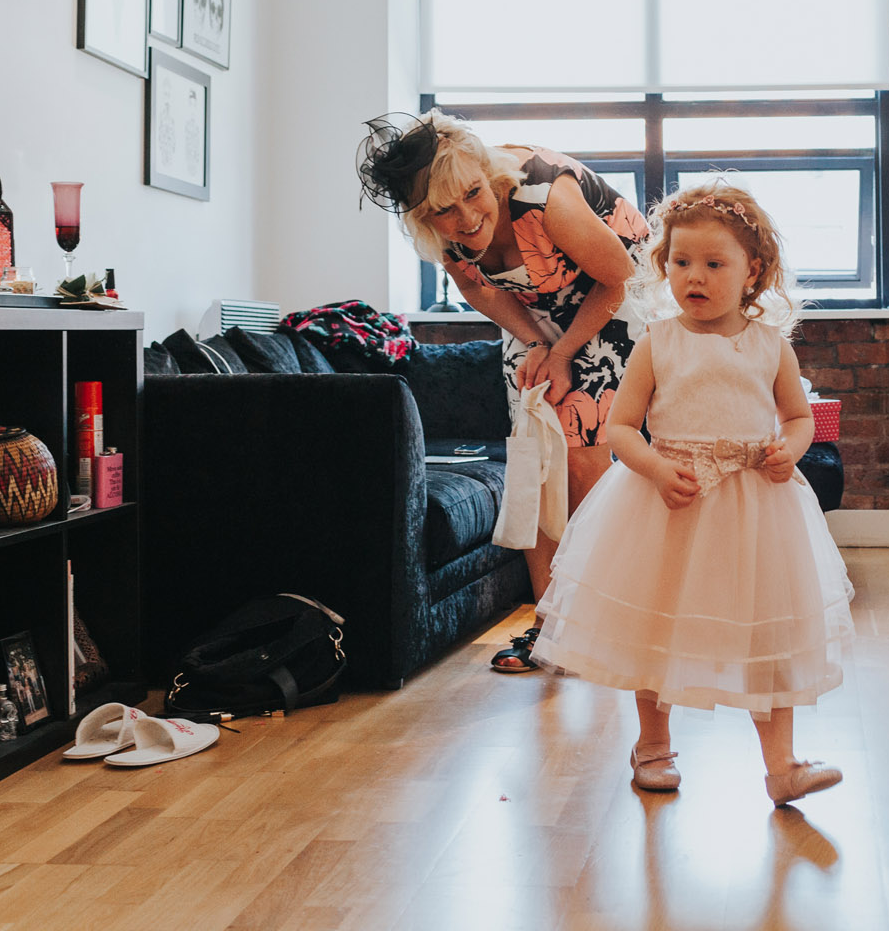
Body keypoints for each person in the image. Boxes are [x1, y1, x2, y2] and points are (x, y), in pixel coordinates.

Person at [530, 180, 855, 806]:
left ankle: (782, 764)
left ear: (751, 271)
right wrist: (653, 468)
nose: (694, 277)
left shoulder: (770, 345)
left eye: (713, 264)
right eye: (681, 263)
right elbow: (621, 427)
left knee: (768, 632)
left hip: (756, 504)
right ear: (664, 266)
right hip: (669, 501)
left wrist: (791, 446)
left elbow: (797, 416)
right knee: (656, 623)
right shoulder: (658, 343)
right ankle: (653, 744)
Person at [358, 110, 650, 672]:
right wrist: (538, 344)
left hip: (615, 299)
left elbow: (620, 275)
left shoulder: (543, 198)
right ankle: (549, 623)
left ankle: (598, 622)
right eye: (444, 211)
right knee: (535, 460)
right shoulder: (443, 234)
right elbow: (483, 294)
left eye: (473, 195)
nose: (467, 218)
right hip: (536, 313)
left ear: (484, 173)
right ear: (423, 216)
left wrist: (565, 354)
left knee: (583, 455)